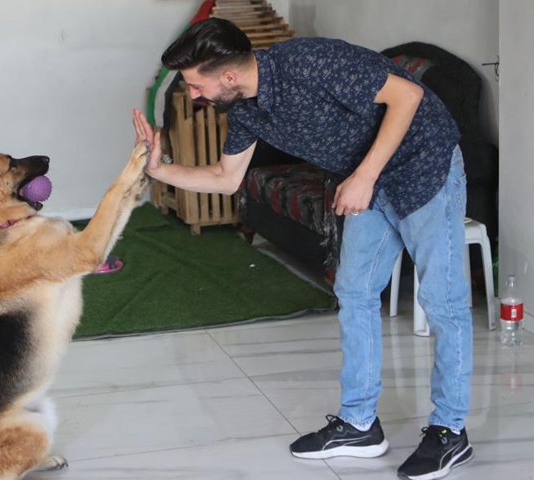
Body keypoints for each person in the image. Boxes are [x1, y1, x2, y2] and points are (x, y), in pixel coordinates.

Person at [132, 18, 473, 480]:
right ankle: (359, 424)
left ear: (227, 76)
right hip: (369, 178)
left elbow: (407, 96)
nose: (194, 95)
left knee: (443, 302)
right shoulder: (248, 110)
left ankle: (451, 432)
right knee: (354, 292)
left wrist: (364, 177)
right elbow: (225, 178)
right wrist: (160, 168)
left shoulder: (311, 62)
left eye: (196, 85)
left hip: (422, 164)